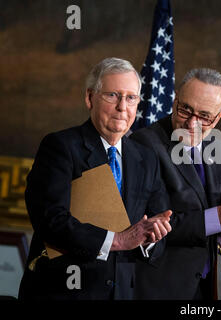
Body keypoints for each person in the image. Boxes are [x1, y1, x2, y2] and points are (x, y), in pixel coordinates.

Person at [19, 57, 173, 300]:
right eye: (113, 95)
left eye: (131, 98)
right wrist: (119, 240)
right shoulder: (60, 147)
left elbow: (156, 225)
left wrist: (151, 237)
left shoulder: (146, 158)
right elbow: (50, 220)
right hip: (64, 292)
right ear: (90, 98)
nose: (123, 107)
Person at [131, 68, 221, 300]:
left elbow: (218, 232)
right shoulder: (145, 144)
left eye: (204, 116)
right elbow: (153, 223)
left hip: (203, 287)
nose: (192, 123)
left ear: (219, 117)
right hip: (159, 287)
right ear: (175, 100)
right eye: (185, 109)